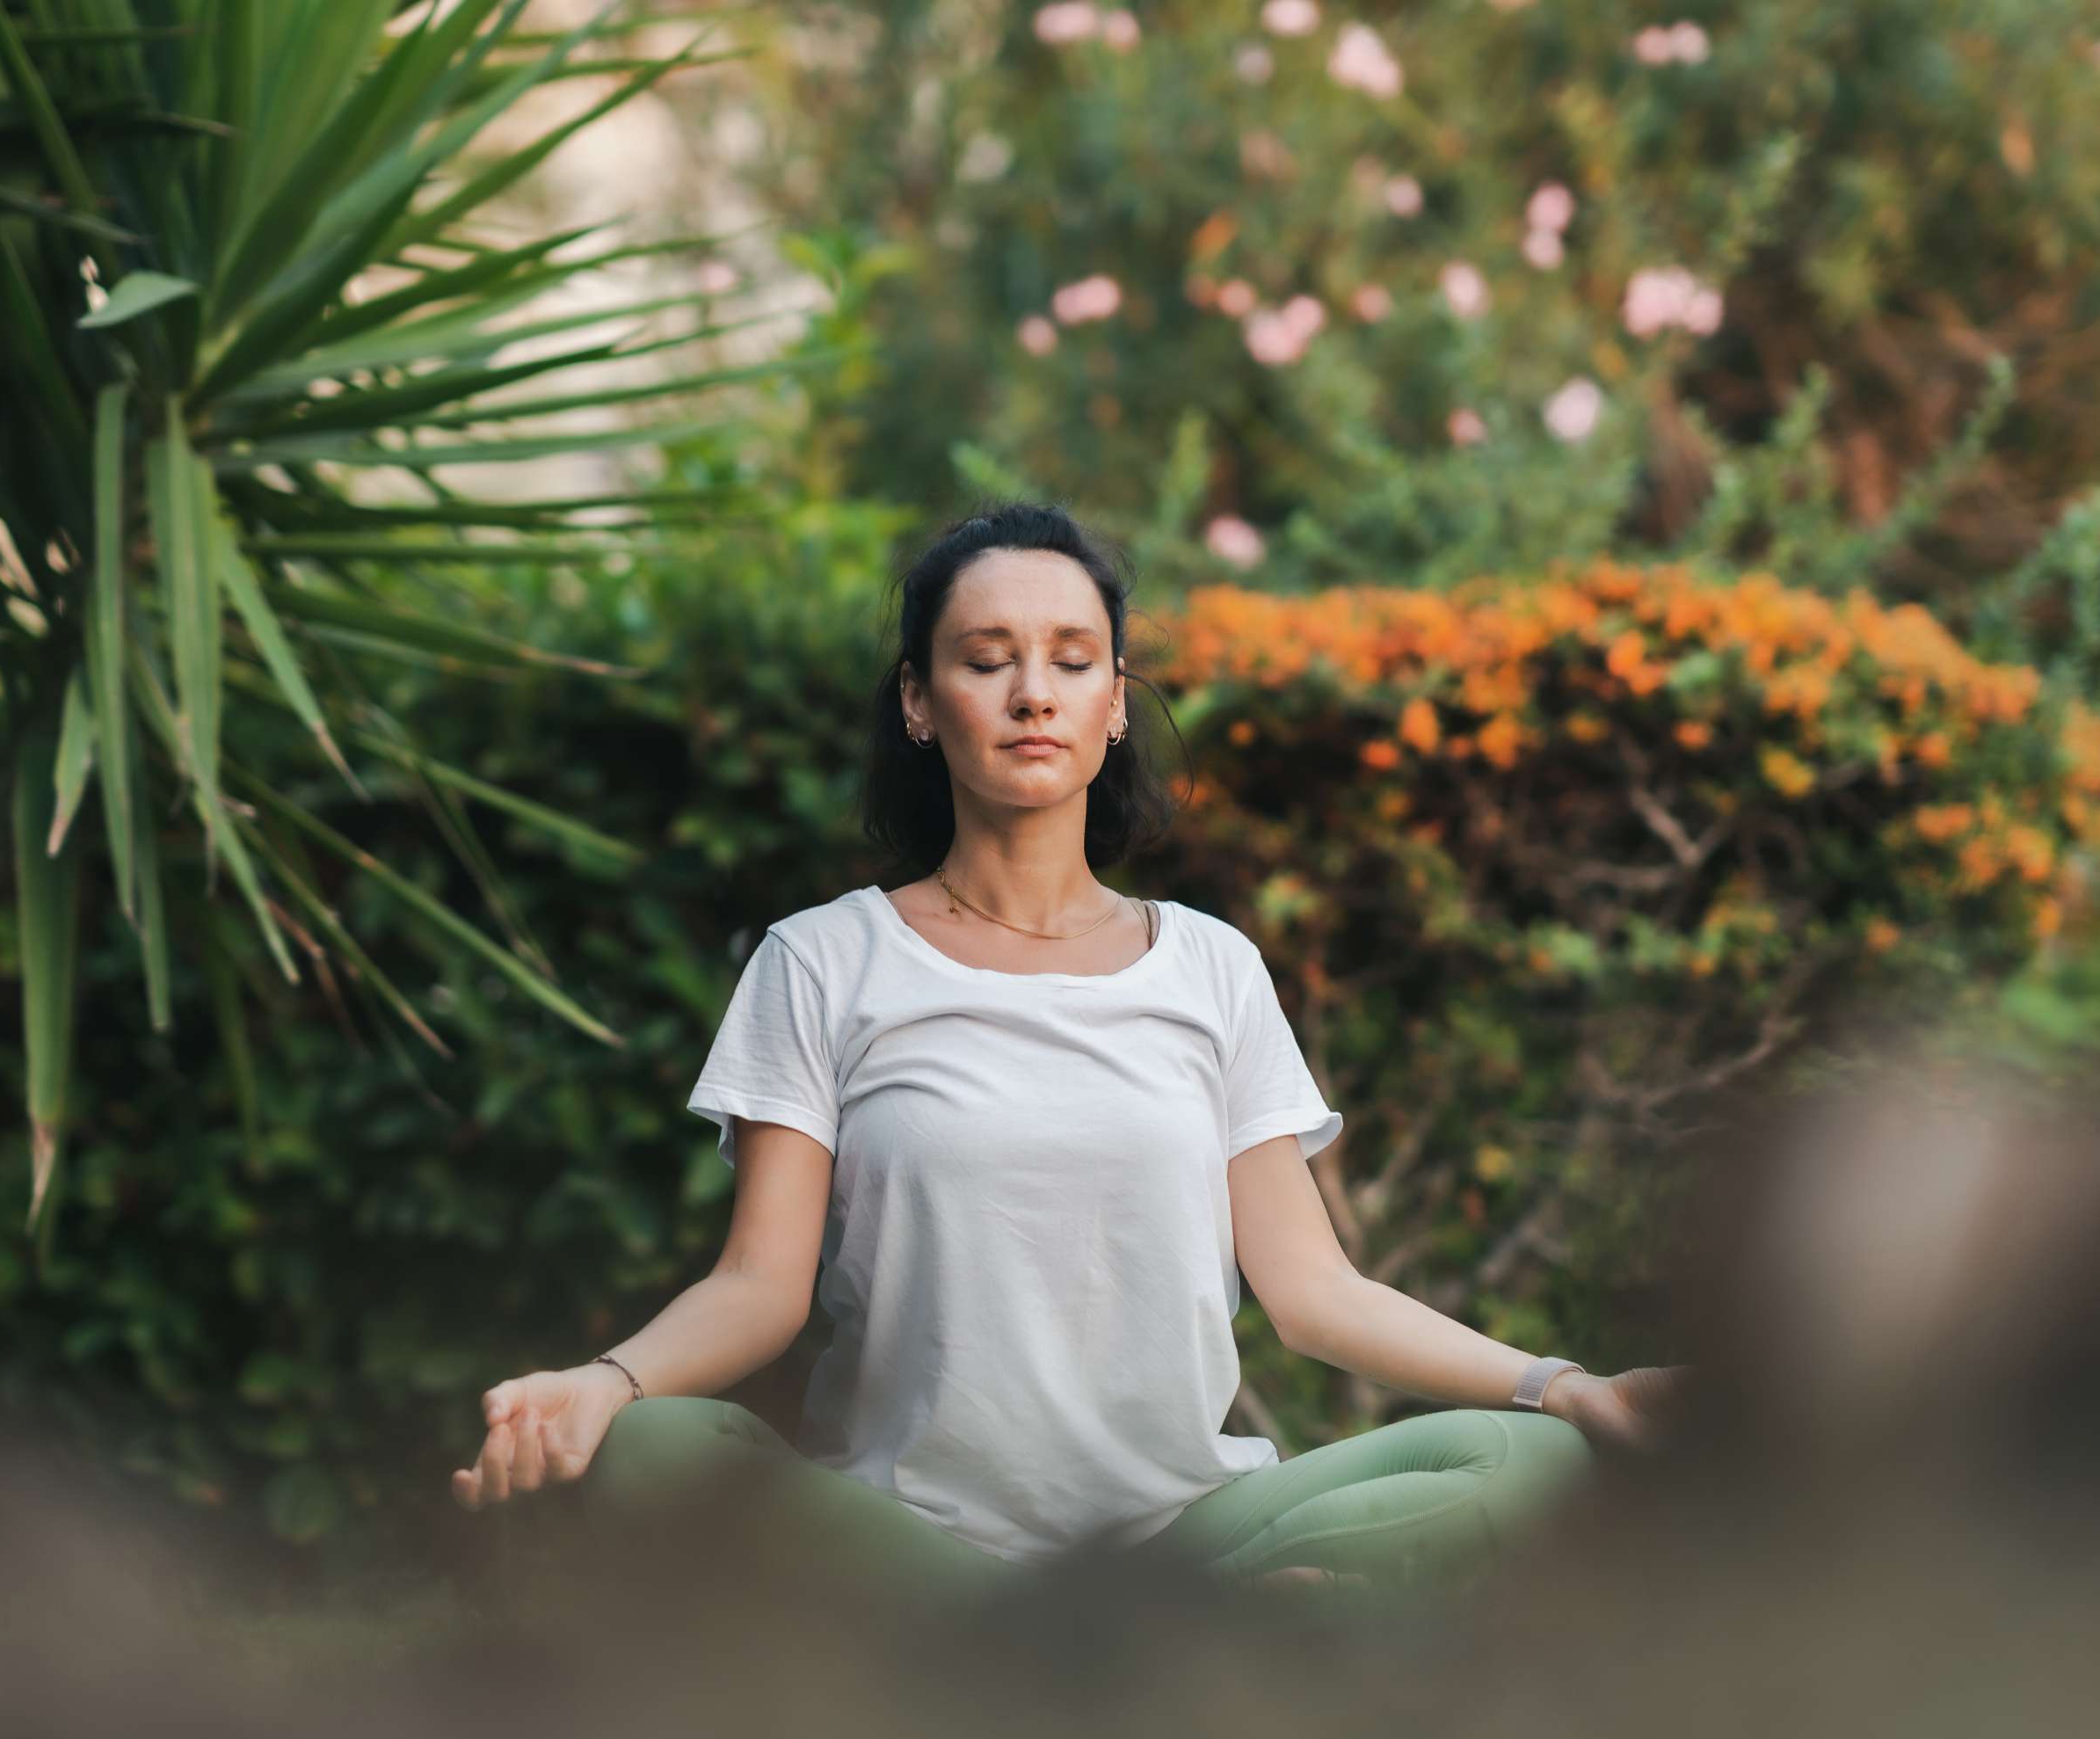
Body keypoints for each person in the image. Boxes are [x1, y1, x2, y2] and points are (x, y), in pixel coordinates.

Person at [450, 502, 1677, 1600]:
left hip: (1185, 1534)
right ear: (922, 704)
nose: (1034, 691)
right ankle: (1160, 1674)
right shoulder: (823, 961)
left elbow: (1316, 1295)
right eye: (987, 661)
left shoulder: (1210, 968)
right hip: (909, 1545)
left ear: (1113, 703)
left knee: (1531, 1460)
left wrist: (1564, 1382)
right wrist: (604, 1382)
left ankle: (1070, 1678)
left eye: (1072, 660)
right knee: (653, 1449)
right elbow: (758, 1290)